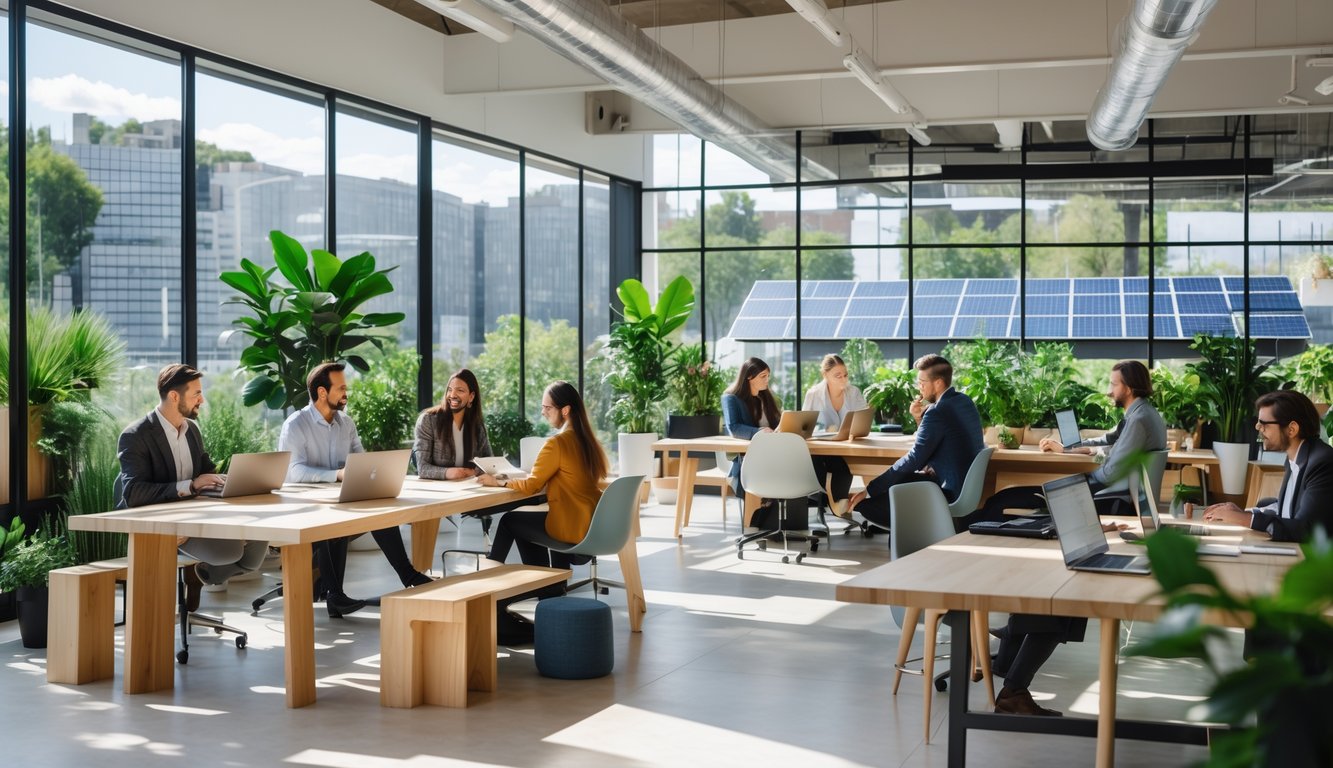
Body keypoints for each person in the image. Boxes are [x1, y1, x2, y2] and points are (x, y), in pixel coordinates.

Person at [278, 362, 432, 619]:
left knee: (378, 504)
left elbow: (361, 461)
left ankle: (408, 574)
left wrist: (375, 474)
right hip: (304, 509)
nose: (346, 393)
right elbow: (292, 471)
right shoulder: (296, 424)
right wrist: (336, 475)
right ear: (322, 392)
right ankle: (334, 595)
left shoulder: (345, 424)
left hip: (341, 502)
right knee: (327, 518)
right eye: (341, 388)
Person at [113, 364, 268, 609]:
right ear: (174, 396)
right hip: (162, 524)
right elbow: (133, 493)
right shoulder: (135, 435)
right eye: (196, 393)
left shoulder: (191, 430)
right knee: (231, 549)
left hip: (196, 516)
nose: (202, 399)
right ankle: (203, 574)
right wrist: (191, 486)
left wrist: (229, 480)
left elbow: (206, 471)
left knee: (259, 540)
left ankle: (206, 574)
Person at [976, 360, 1167, 524]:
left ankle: (975, 533)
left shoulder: (1138, 420)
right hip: (1110, 492)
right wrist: (1073, 449)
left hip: (1106, 497)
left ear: (1128, 388)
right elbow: (1110, 442)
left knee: (1001, 501)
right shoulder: (1143, 413)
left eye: (1113, 384)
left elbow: (1110, 474)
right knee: (1002, 498)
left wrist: (1076, 479)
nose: (1109, 391)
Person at [478, 381, 607, 569]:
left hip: (570, 530)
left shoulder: (558, 442)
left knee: (509, 521)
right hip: (589, 525)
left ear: (565, 410)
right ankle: (551, 586)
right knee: (529, 520)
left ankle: (489, 580)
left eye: (547, 407)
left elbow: (532, 486)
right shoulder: (588, 440)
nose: (542, 412)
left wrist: (498, 482)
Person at [848, 354, 984, 530]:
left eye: (922, 382)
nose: (919, 387)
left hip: (948, 494)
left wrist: (869, 490)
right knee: (899, 481)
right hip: (966, 490)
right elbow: (937, 444)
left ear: (938, 383)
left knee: (868, 504)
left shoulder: (937, 411)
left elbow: (914, 459)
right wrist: (918, 419)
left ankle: (919, 533)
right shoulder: (964, 401)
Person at [1200, 389, 1333, 542]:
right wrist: (1243, 512)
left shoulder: (1322, 463)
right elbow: (1287, 509)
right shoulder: (1296, 458)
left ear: (1292, 429)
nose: (1257, 428)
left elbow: (1306, 529)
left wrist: (1245, 518)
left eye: (1264, 424)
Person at [803, 354, 868, 518]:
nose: (843, 379)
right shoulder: (813, 394)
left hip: (848, 446)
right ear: (825, 375)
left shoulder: (853, 392)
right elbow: (804, 425)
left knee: (844, 465)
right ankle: (836, 500)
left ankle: (836, 500)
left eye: (845, 374)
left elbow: (863, 419)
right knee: (828, 464)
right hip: (821, 448)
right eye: (837, 375)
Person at [721, 357, 783, 526]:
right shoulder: (731, 398)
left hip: (774, 452)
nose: (767, 380)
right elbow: (734, 428)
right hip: (748, 458)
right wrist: (760, 432)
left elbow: (777, 424)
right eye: (763, 376)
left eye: (768, 376)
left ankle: (779, 518)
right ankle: (764, 520)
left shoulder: (766, 397)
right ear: (749, 377)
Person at [414, 369, 491, 480]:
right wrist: (451, 473)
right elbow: (423, 468)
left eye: (460, 390)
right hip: (438, 491)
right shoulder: (428, 420)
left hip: (470, 488)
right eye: (450, 390)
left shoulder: (477, 426)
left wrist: (465, 473)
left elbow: (490, 464)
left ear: (471, 396)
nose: (452, 395)